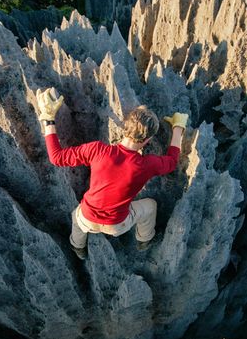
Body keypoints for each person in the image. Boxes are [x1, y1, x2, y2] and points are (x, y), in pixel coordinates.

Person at [36, 88, 188, 259]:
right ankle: (144, 239)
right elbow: (172, 162)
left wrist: (48, 119)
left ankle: (78, 248)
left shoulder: (97, 150)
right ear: (147, 140)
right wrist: (178, 128)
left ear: (125, 128)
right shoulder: (147, 164)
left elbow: (57, 158)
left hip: (87, 218)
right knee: (150, 206)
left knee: (76, 219)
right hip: (117, 225)